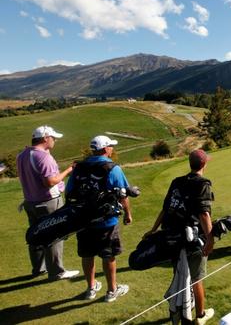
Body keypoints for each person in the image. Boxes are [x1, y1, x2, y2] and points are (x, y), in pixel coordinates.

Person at [144, 149, 215, 324]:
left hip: (173, 238)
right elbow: (204, 215)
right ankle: (200, 315)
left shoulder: (177, 182)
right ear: (204, 164)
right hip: (192, 239)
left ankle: (179, 309)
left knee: (179, 274)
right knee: (197, 278)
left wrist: (154, 229)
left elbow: (166, 208)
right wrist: (211, 239)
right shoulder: (203, 183)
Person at [66, 135, 132, 302]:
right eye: (110, 146)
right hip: (106, 220)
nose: (112, 149)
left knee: (87, 255)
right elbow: (123, 194)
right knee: (108, 255)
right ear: (105, 149)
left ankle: (90, 288)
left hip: (83, 220)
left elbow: (69, 191)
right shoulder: (112, 168)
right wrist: (128, 214)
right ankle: (111, 291)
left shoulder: (80, 167)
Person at [16, 126, 79, 280]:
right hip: (48, 201)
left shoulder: (23, 154)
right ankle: (57, 271)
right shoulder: (43, 157)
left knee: (36, 234)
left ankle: (38, 268)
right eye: (53, 138)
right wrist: (69, 170)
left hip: (30, 202)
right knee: (54, 234)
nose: (55, 140)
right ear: (45, 138)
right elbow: (50, 181)